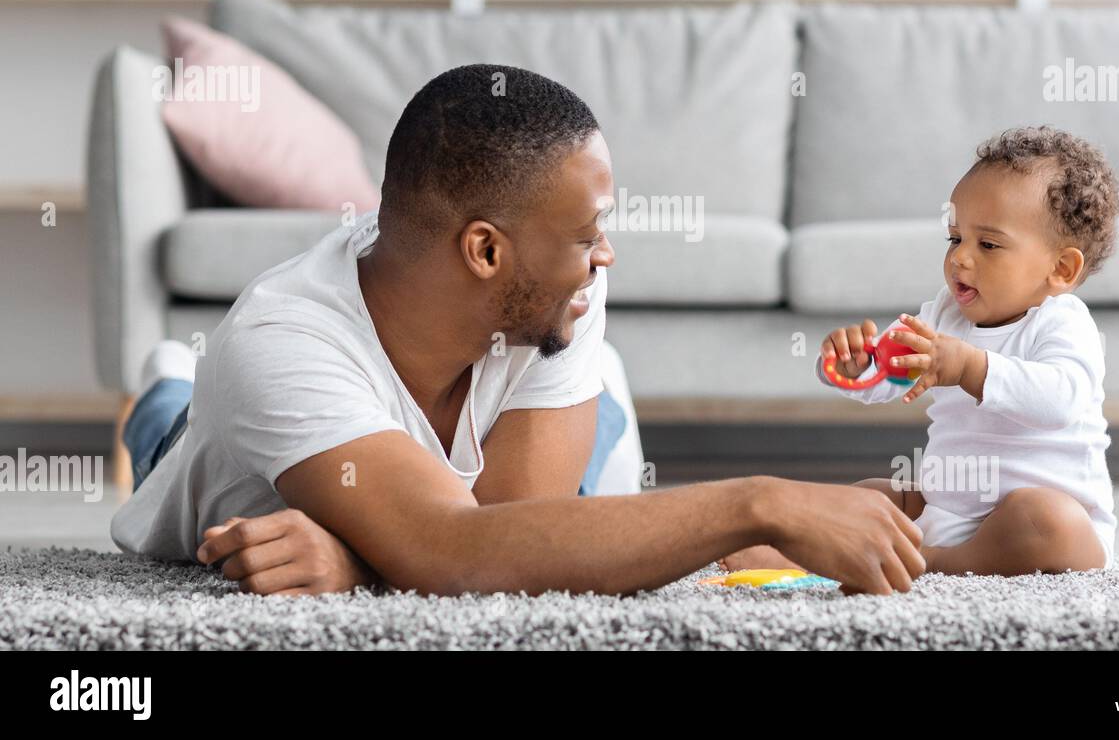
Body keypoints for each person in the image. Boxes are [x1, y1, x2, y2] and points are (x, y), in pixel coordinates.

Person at [111, 63, 924, 597]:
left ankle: (601, 396)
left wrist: (361, 559)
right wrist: (763, 504)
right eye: (587, 235)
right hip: (225, 440)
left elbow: (510, 540)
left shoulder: (558, 291)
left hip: (495, 428)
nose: (605, 255)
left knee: (578, 478)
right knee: (170, 435)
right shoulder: (281, 345)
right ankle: (170, 387)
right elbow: (466, 550)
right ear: (486, 250)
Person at [724, 126, 1119, 578]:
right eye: (955, 238)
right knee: (869, 496)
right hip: (946, 507)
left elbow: (1060, 400)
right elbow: (886, 374)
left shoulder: (1062, 322)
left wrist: (970, 366)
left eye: (988, 244)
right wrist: (855, 367)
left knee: (1049, 521)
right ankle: (809, 549)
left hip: (1039, 525)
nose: (960, 259)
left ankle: (925, 562)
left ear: (1061, 269)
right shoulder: (944, 313)